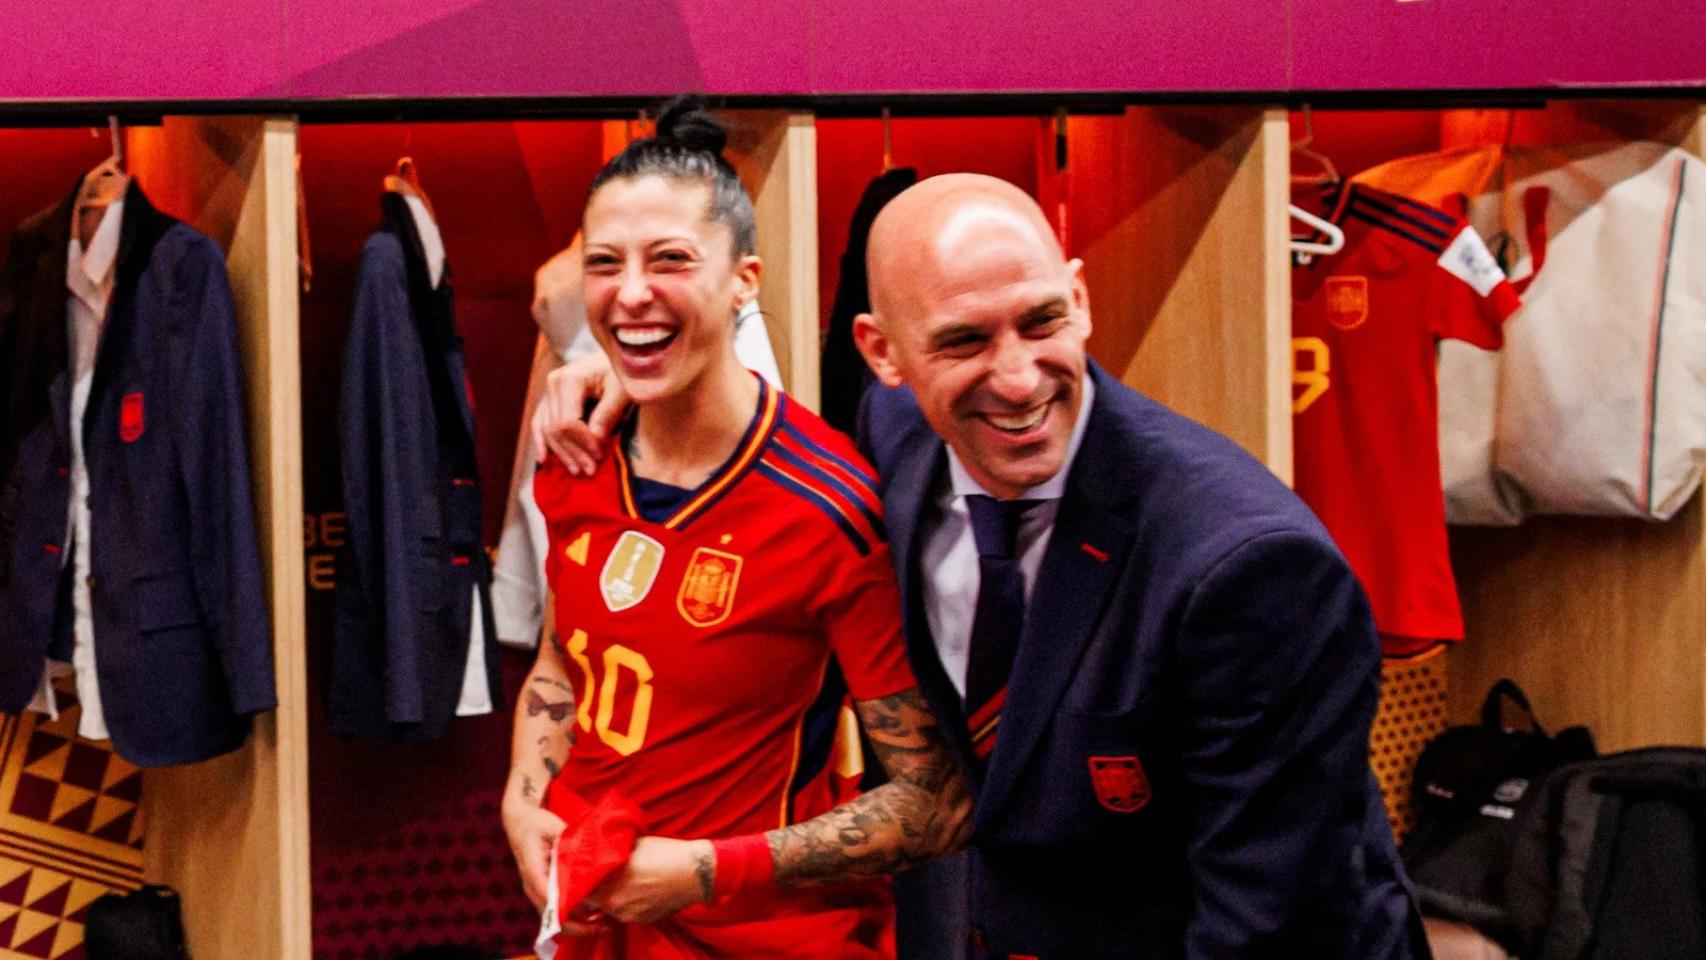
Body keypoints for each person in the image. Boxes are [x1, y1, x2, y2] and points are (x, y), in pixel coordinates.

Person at [535, 169, 1428, 959]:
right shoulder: (894, 440)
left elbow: (1271, 922)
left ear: (1079, 299)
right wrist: (630, 376)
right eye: (963, 342)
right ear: (884, 355)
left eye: (1041, 321)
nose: (1016, 378)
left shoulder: (1248, 567)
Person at [501, 98, 972, 958]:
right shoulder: (573, 450)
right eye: (605, 263)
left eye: (670, 260)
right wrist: (522, 798)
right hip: (591, 924)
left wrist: (708, 870)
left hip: (767, 939)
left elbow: (933, 802)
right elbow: (565, 658)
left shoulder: (828, 509)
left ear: (743, 280)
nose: (632, 291)